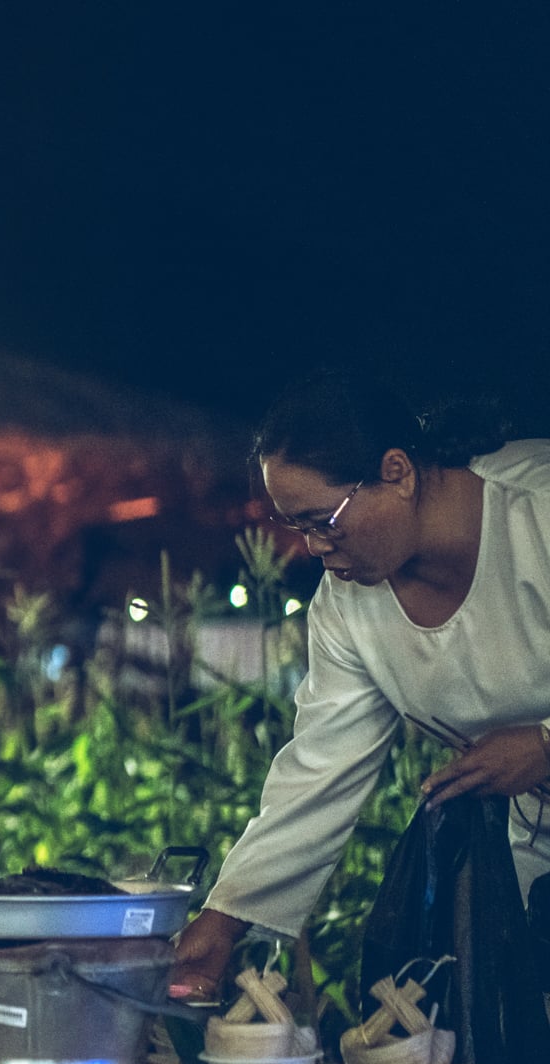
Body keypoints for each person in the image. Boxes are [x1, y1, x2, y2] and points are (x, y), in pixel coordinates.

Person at [168, 371, 550, 1001]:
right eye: (298, 529)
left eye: (324, 521)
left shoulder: (533, 513)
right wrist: (224, 919)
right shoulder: (347, 609)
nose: (315, 548)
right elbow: (318, 772)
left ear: (397, 472)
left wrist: (543, 743)